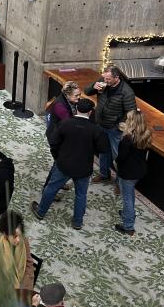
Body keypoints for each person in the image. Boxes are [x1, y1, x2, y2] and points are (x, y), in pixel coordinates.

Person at [30, 98, 108, 230]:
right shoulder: (96, 130)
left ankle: (41, 212)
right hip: (84, 167)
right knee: (81, 194)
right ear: (90, 112)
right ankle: (77, 222)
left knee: (51, 188)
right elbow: (104, 149)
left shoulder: (65, 123)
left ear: (76, 109)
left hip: (64, 164)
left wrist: (57, 156)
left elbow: (53, 142)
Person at [84, 65, 137, 184]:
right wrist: (94, 87)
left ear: (116, 78)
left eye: (108, 79)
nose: (105, 81)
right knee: (103, 151)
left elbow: (131, 112)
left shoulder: (126, 92)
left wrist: (119, 125)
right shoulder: (102, 81)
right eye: (104, 78)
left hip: (115, 128)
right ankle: (104, 175)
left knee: (117, 156)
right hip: (101, 124)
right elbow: (87, 91)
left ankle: (119, 181)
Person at [114, 109, 152, 236]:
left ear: (131, 122)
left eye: (128, 119)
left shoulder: (128, 138)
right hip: (140, 170)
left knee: (127, 198)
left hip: (128, 173)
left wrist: (115, 161)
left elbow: (121, 157)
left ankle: (128, 226)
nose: (126, 120)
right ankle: (127, 213)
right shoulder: (146, 134)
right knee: (130, 194)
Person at [0, 211, 35, 290]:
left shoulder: (24, 241)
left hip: (20, 283)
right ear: (5, 234)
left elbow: (29, 267)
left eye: (20, 235)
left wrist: (26, 290)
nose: (18, 239)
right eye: (14, 236)